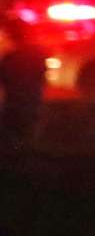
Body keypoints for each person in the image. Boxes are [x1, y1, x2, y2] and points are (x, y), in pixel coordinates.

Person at [1, 14, 48, 148]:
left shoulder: (10, 57)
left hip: (15, 106)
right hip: (32, 105)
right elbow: (41, 78)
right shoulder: (38, 55)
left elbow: (4, 80)